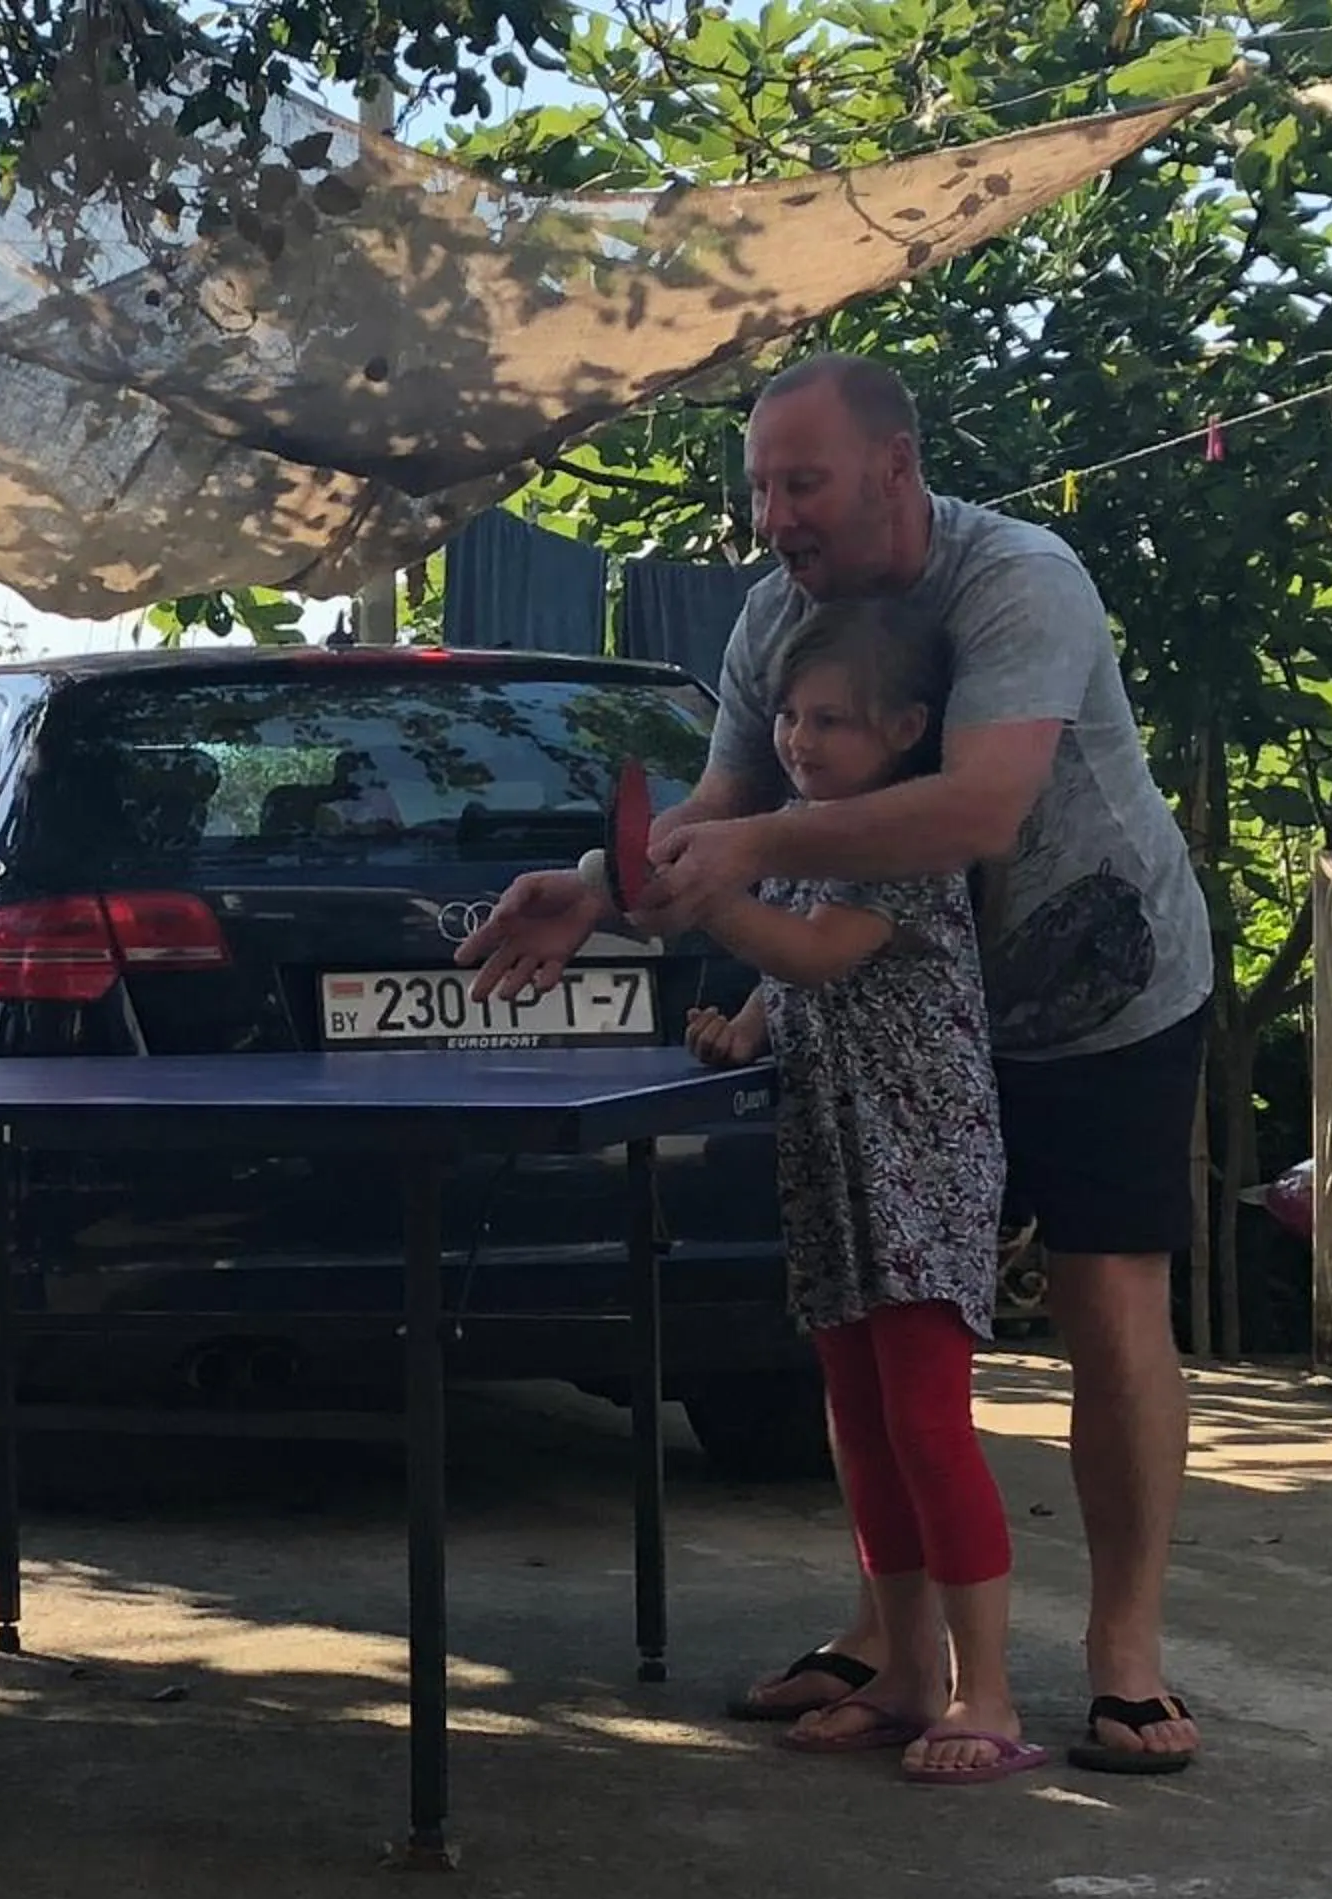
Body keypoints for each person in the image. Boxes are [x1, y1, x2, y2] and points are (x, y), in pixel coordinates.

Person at [456, 351, 1213, 1776]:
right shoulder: (774, 621)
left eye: (800, 483)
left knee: (1112, 1309)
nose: (773, 515)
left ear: (895, 470)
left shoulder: (1016, 580)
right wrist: (595, 885)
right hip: (897, 1035)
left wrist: (746, 859)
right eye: (759, 487)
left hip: (1089, 982)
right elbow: (729, 805)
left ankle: (1124, 1657)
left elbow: (982, 805)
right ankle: (890, 1640)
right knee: (874, 1347)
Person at [680, 600, 1041, 1780]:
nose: (796, 738)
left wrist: (705, 893)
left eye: (829, 719)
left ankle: (987, 1695)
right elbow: (782, 983)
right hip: (835, 1160)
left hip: (921, 1161)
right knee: (863, 1421)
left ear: (906, 729)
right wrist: (736, 1027)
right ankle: (901, 1671)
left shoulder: (899, 843)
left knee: (928, 1423)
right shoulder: (794, 837)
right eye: (785, 714)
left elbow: (818, 951)